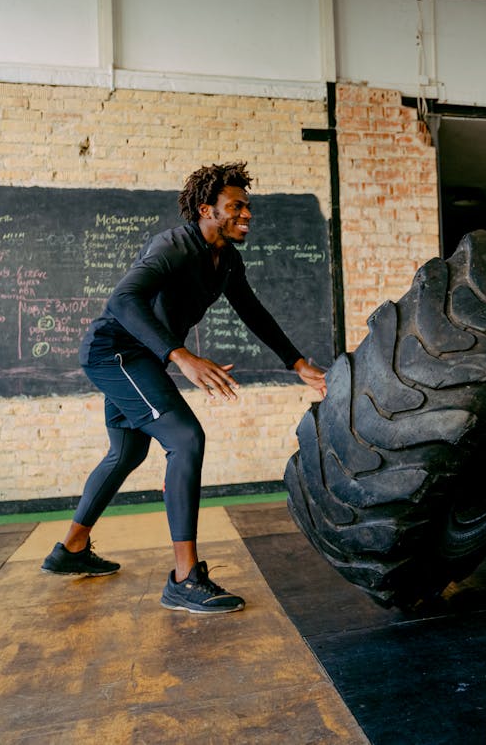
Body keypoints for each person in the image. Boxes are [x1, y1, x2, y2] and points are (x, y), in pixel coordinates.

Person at [41, 162, 327, 614]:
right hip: (115, 353)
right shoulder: (174, 245)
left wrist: (296, 363)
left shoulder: (227, 260)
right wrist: (182, 356)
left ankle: (70, 550)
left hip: (140, 359)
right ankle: (184, 579)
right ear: (206, 210)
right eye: (236, 207)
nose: (247, 214)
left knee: (127, 453)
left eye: (248, 207)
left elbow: (253, 311)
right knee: (186, 439)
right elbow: (122, 300)